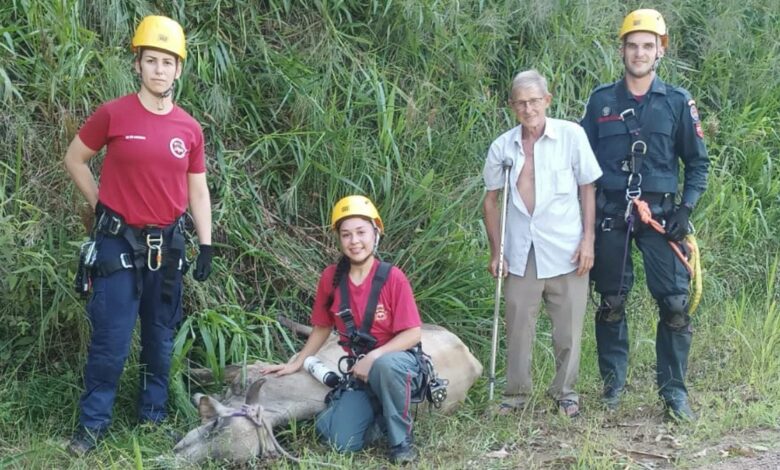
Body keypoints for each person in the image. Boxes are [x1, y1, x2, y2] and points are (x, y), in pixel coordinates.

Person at [63, 15, 213, 454]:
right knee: (110, 338)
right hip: (118, 243)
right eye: (152, 61)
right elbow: (75, 159)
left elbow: (198, 189)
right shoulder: (114, 114)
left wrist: (205, 243)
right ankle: (91, 427)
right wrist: (102, 205)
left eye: (168, 62)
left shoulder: (189, 128)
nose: (160, 70)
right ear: (138, 65)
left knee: (159, 339)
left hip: (166, 246)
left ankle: (151, 418)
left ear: (179, 69)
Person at [580, 9, 709, 421]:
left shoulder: (676, 102)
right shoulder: (601, 101)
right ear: (622, 50)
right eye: (632, 45)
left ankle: (674, 394)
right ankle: (612, 387)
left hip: (660, 213)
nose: (639, 53)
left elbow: (698, 163)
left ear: (660, 52)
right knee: (612, 301)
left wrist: (685, 209)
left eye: (647, 46)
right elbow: (581, 165)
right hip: (613, 211)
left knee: (674, 303)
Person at [262, 195, 423, 464]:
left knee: (384, 366)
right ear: (339, 239)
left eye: (361, 232)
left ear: (376, 232)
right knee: (338, 440)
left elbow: (413, 334)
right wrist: (296, 363)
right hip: (359, 375)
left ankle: (401, 443)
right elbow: (323, 327)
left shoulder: (393, 278)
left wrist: (374, 357)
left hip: (396, 364)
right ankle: (378, 418)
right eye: (346, 235)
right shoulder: (331, 278)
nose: (354, 241)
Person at [483, 70, 602, 418]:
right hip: (522, 250)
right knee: (518, 324)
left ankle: (566, 393)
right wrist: (497, 250)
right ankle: (515, 394)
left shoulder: (571, 135)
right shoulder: (503, 147)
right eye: (520, 102)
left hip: (566, 247)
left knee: (568, 328)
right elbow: (490, 201)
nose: (528, 108)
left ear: (547, 100)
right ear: (511, 106)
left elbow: (588, 188)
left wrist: (588, 241)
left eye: (534, 100)